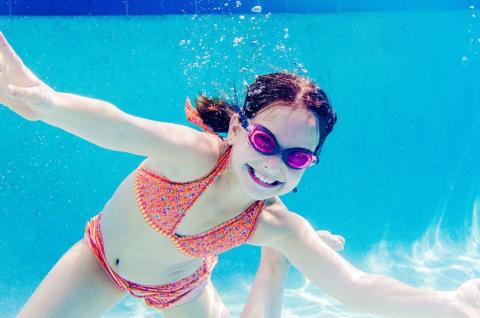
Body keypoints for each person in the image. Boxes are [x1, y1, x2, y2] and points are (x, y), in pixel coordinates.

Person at [1, 31, 479, 318]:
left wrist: (455, 306)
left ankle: (276, 263)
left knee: (282, 249)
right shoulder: (192, 156)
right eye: (265, 142)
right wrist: (47, 104)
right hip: (101, 263)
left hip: (178, 289)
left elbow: (357, 287)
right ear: (236, 128)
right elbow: (115, 126)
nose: (273, 164)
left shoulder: (272, 222)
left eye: (296, 158)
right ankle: (277, 259)